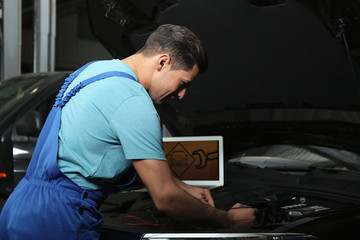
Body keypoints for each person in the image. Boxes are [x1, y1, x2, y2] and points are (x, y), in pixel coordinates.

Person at [0, 24, 257, 239]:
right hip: (57, 218)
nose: (181, 95)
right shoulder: (134, 101)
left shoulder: (93, 71)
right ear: (163, 61)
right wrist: (227, 220)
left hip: (20, 207)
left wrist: (183, 187)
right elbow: (166, 198)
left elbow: (95, 150)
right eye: (182, 83)